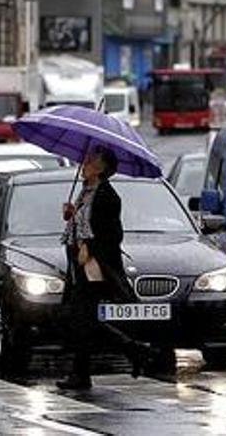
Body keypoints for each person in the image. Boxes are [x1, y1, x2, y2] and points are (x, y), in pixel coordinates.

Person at [57, 145, 145, 391]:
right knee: (82, 319)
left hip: (95, 267)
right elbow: (83, 224)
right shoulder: (86, 191)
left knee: (82, 318)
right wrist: (71, 215)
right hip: (78, 264)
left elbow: (112, 234)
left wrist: (90, 247)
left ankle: (84, 373)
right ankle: (131, 350)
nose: (83, 165)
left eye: (89, 161)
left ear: (101, 168)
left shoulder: (108, 196)